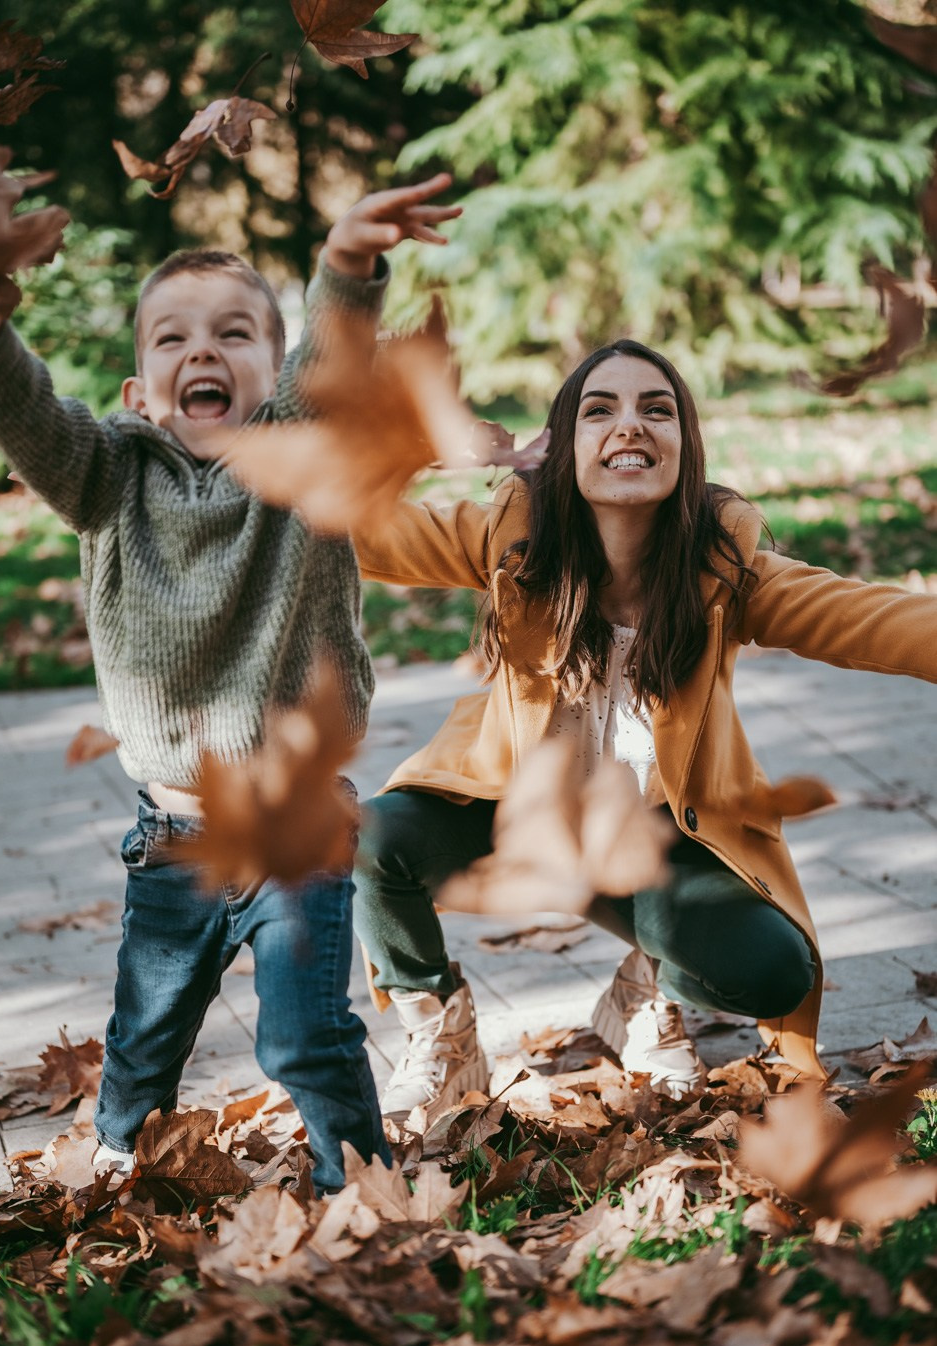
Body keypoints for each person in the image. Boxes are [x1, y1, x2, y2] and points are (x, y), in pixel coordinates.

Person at [0, 174, 460, 1195]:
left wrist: (346, 265)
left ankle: (358, 1189)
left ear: (272, 373)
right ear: (140, 391)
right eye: (173, 340)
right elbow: (25, 409)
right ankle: (119, 1151)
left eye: (233, 335)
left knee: (306, 1037)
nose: (202, 353)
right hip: (173, 839)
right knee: (143, 1043)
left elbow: (331, 359)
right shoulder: (104, 478)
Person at [352, 339, 937, 1118]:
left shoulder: (727, 571)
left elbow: (871, 619)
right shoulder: (513, 539)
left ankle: (645, 987)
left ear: (685, 450)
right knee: (371, 836)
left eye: (656, 409)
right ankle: (442, 1031)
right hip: (513, 815)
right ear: (562, 451)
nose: (630, 425)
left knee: (774, 972)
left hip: (653, 840)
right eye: (601, 410)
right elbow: (354, 528)